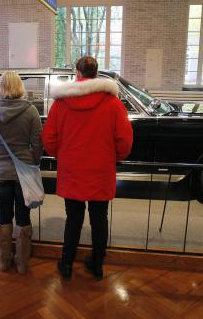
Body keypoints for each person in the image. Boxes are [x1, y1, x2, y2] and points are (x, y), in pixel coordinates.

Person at [41, 56, 133, 280]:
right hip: (101, 170)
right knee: (99, 218)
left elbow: (49, 139)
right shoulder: (113, 103)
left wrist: (61, 154)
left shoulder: (61, 103)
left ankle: (67, 264)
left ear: (77, 73)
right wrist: (112, 157)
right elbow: (125, 141)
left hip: (72, 170)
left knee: (73, 219)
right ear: (96, 73)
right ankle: (97, 265)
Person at [0, 71, 43, 274]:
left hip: (1, 173)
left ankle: (3, 261)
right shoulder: (31, 111)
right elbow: (37, 143)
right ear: (19, 86)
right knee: (23, 216)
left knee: (4, 215)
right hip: (24, 172)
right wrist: (32, 162)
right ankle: (22, 263)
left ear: (0, 87)